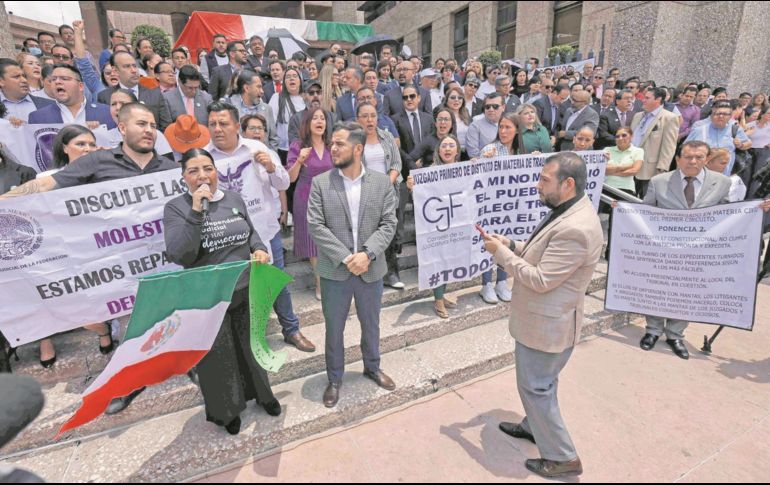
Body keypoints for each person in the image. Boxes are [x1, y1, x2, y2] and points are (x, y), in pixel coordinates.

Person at [483, 152, 603, 479]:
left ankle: (563, 457)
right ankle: (534, 427)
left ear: (568, 183)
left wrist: (502, 255)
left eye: (544, 179)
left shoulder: (577, 228)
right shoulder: (568, 210)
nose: (538, 185)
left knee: (536, 388)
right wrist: (510, 243)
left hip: (549, 325)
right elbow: (541, 255)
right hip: (547, 321)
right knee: (540, 384)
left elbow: (540, 279)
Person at [163, 147, 280, 435]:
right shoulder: (177, 208)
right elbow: (181, 254)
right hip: (208, 300)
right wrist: (195, 211)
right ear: (183, 177)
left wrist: (260, 249)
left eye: (208, 168)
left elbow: (250, 232)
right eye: (193, 171)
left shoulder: (234, 198)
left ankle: (264, 395)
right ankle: (227, 412)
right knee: (218, 359)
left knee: (252, 349)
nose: (202, 176)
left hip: (244, 289)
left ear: (216, 172)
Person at [203, 101, 314, 352]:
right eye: (212, 124)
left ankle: (291, 329)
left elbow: (283, 184)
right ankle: (254, 339)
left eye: (223, 123)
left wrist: (272, 167)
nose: (217, 129)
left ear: (235, 126)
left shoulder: (257, 148)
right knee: (241, 293)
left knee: (277, 285)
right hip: (229, 241)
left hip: (265, 232)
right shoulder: (204, 156)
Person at [307, 121, 398, 408]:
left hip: (371, 269)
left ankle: (372, 366)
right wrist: (347, 257)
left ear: (358, 149)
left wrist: (367, 254)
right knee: (334, 328)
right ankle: (334, 378)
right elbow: (315, 225)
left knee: (371, 324)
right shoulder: (321, 183)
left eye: (339, 143)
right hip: (335, 270)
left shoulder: (381, 183)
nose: (332, 148)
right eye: (332, 143)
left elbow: (389, 223)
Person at [639, 141, 734, 360]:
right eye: (688, 157)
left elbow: (728, 213)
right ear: (678, 159)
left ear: (706, 159)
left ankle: (675, 334)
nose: (693, 161)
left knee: (686, 293)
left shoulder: (721, 183)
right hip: (664, 250)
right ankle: (652, 330)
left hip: (697, 253)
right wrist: (625, 212)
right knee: (657, 290)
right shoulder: (658, 182)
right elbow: (645, 213)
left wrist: (755, 210)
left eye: (699, 157)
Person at [405, 134, 463, 317]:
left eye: (451, 145)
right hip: (437, 226)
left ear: (457, 150)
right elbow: (422, 199)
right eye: (444, 145)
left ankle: (441, 295)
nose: (447, 149)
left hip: (455, 223)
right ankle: (438, 300)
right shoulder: (431, 171)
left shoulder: (464, 171)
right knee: (439, 261)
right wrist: (413, 187)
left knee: (448, 262)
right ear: (438, 150)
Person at [287, 107, 334, 300]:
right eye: (315, 118)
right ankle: (320, 282)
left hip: (331, 196)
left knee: (331, 238)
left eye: (322, 118)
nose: (319, 121)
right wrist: (299, 160)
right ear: (308, 123)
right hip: (306, 196)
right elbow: (290, 178)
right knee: (314, 243)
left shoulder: (333, 145)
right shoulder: (298, 146)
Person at [357, 103, 403, 289]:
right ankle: (372, 274)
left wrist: (385, 184)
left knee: (389, 235)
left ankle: (391, 274)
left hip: (388, 192)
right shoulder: (354, 141)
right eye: (365, 116)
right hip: (364, 194)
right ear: (358, 119)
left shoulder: (387, 137)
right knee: (369, 235)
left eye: (373, 116)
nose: (370, 120)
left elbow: (396, 164)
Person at [478, 112, 521, 304]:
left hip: (512, 207)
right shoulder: (490, 149)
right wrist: (484, 161)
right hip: (490, 206)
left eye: (508, 127)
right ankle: (486, 284)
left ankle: (502, 282)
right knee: (490, 243)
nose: (503, 131)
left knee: (506, 244)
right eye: (501, 127)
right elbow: (478, 178)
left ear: (517, 130)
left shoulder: (521, 153)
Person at [97, 51, 172, 131]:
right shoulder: (104, 97)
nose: (134, 70)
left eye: (134, 66)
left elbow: (166, 128)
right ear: (115, 71)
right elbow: (105, 128)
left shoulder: (155, 94)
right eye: (127, 66)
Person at [28, 64, 113, 128]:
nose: (57, 82)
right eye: (53, 79)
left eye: (64, 79)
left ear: (80, 86)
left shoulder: (107, 112)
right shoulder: (37, 118)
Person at [631, 87, 680, 197]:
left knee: (646, 203)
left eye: (647, 98)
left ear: (658, 100)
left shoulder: (669, 118)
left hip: (650, 170)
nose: (643, 100)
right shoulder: (638, 115)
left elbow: (669, 146)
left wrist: (661, 169)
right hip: (630, 166)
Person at [685, 100, 752, 177]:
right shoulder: (699, 128)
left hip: (723, 172)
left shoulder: (735, 128)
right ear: (712, 114)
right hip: (700, 170)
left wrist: (740, 145)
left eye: (725, 114)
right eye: (718, 113)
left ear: (730, 116)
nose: (721, 116)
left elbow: (748, 143)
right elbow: (685, 148)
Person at [104, 89, 173, 157]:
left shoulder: (153, 134)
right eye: (113, 104)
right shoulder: (105, 137)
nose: (118, 107)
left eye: (123, 103)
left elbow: (169, 164)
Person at [225, 69, 279, 151]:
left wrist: (270, 155)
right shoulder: (229, 108)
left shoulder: (267, 109)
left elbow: (273, 139)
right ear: (246, 88)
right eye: (258, 87)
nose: (262, 91)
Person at [0, 59, 55, 126]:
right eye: (16, 77)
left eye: (24, 76)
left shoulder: (49, 105)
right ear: (1, 81)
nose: (24, 80)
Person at [269, 67, 306, 163]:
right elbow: (270, 124)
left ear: (300, 81)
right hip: (283, 150)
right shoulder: (277, 97)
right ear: (284, 82)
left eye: (295, 76)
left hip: (305, 148)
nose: (291, 79)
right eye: (288, 77)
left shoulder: (306, 98)